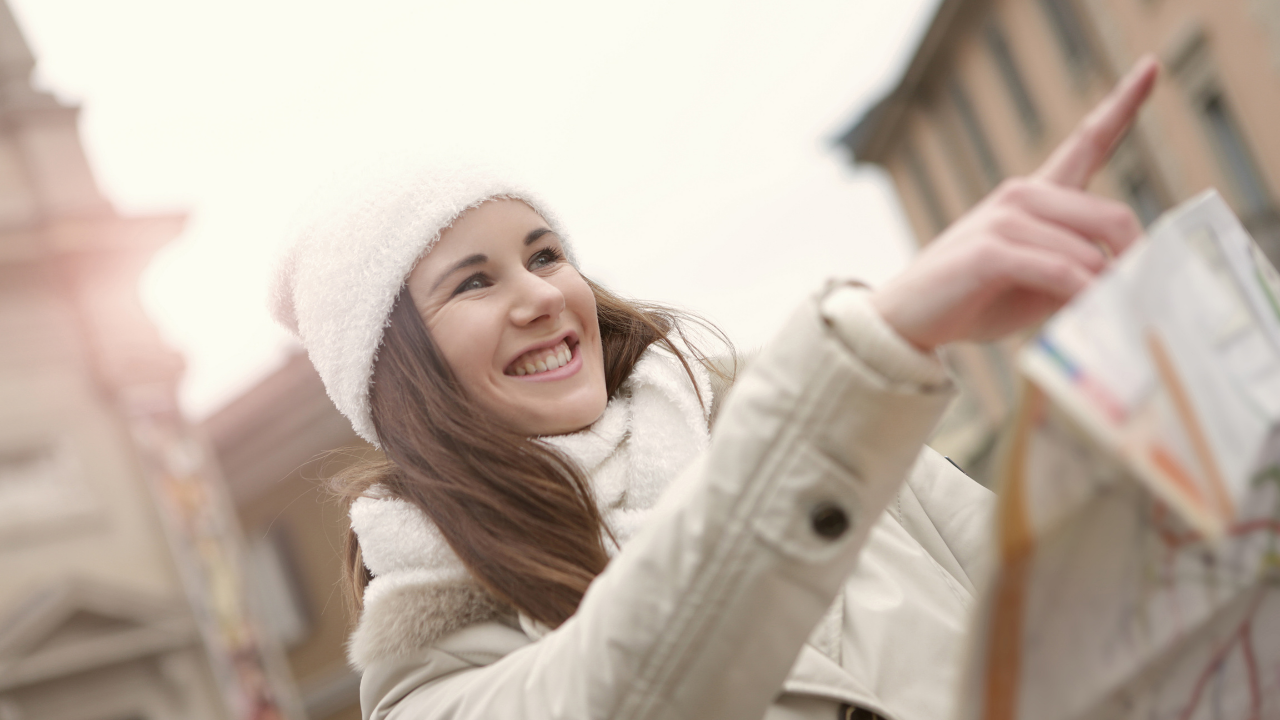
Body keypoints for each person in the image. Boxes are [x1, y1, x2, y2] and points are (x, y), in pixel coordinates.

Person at [270, 58, 1160, 720]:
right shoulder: (427, 673)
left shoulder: (782, 421)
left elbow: (1079, 612)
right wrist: (874, 347)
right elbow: (634, 684)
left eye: (545, 254)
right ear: (401, 380)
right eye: (474, 282)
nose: (541, 295)